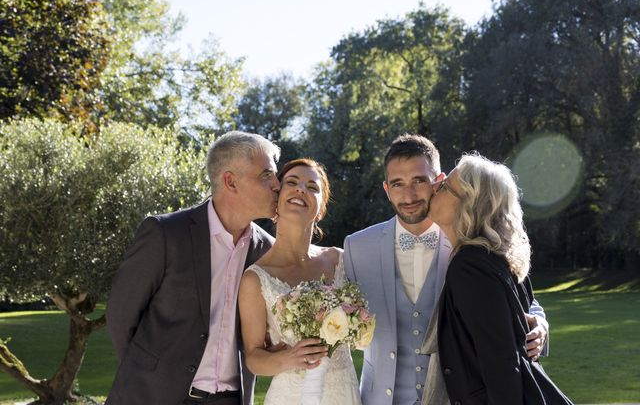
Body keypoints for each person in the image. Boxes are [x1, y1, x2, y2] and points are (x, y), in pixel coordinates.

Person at [343, 134, 549, 405]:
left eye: (419, 181)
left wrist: (540, 326)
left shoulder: (470, 244)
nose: (409, 195)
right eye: (397, 184)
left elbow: (520, 295)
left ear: (439, 182)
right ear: (386, 189)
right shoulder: (356, 247)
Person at [106, 131, 281, 405]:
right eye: (266, 175)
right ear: (230, 181)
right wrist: (150, 375)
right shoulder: (165, 234)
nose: (277, 185)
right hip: (153, 396)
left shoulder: (267, 250)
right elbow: (121, 315)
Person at [425, 153, 572, 404]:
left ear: (467, 205)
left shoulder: (470, 266)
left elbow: (501, 363)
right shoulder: (497, 256)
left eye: (446, 186)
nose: (435, 186)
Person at [238, 158, 361, 405]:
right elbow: (253, 357)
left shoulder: (340, 260)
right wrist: (290, 358)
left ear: (321, 207)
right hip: (290, 396)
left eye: (312, 187)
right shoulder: (255, 278)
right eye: (291, 183)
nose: (300, 189)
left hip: (343, 393)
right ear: (277, 200)